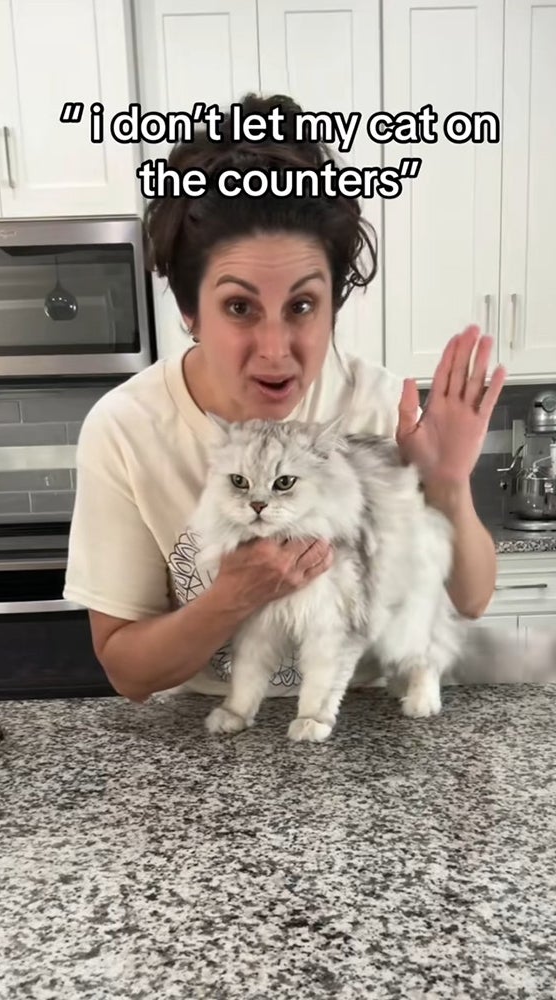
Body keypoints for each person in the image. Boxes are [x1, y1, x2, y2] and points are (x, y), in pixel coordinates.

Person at [66, 92, 501, 704]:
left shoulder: (374, 404)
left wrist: (449, 485)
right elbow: (127, 671)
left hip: (355, 721)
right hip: (205, 729)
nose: (276, 350)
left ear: (333, 307)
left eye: (302, 306)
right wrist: (232, 596)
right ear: (190, 311)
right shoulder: (126, 429)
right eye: (240, 307)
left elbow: (470, 598)